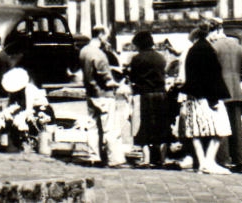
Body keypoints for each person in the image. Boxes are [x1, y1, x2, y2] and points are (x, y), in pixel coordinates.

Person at [178, 21, 232, 174]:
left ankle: (202, 162)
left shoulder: (193, 49)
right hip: (207, 96)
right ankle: (209, 161)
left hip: (193, 96)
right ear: (212, 32)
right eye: (217, 33)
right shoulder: (207, 50)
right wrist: (214, 99)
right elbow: (212, 77)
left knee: (195, 132)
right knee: (220, 129)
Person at [79, 24, 128, 167]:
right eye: (105, 35)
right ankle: (115, 159)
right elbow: (107, 80)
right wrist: (119, 83)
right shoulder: (100, 54)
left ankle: (93, 156)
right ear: (100, 35)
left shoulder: (84, 51)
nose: (106, 38)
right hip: (104, 95)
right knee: (110, 129)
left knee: (93, 127)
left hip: (91, 93)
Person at [208, 19, 242, 173]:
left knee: (221, 126)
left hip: (219, 91)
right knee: (236, 127)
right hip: (236, 90)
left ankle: (223, 160)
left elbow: (210, 71)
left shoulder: (213, 46)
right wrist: (236, 81)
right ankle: (239, 161)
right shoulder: (237, 45)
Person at [126, 30, 172, 167]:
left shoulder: (137, 59)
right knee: (162, 125)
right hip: (161, 94)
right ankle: (162, 158)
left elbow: (133, 78)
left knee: (145, 126)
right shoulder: (160, 57)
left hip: (145, 94)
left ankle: (146, 159)